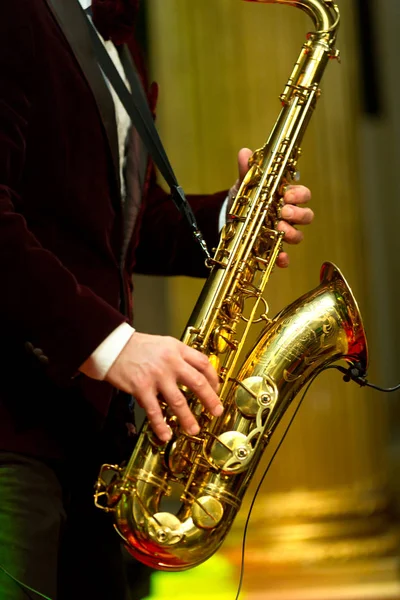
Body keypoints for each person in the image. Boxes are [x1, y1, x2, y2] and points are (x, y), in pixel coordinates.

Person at [0, 0, 314, 598]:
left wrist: (235, 218)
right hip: (12, 434)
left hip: (92, 438)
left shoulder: (115, 37)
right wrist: (110, 344)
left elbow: (117, 225)